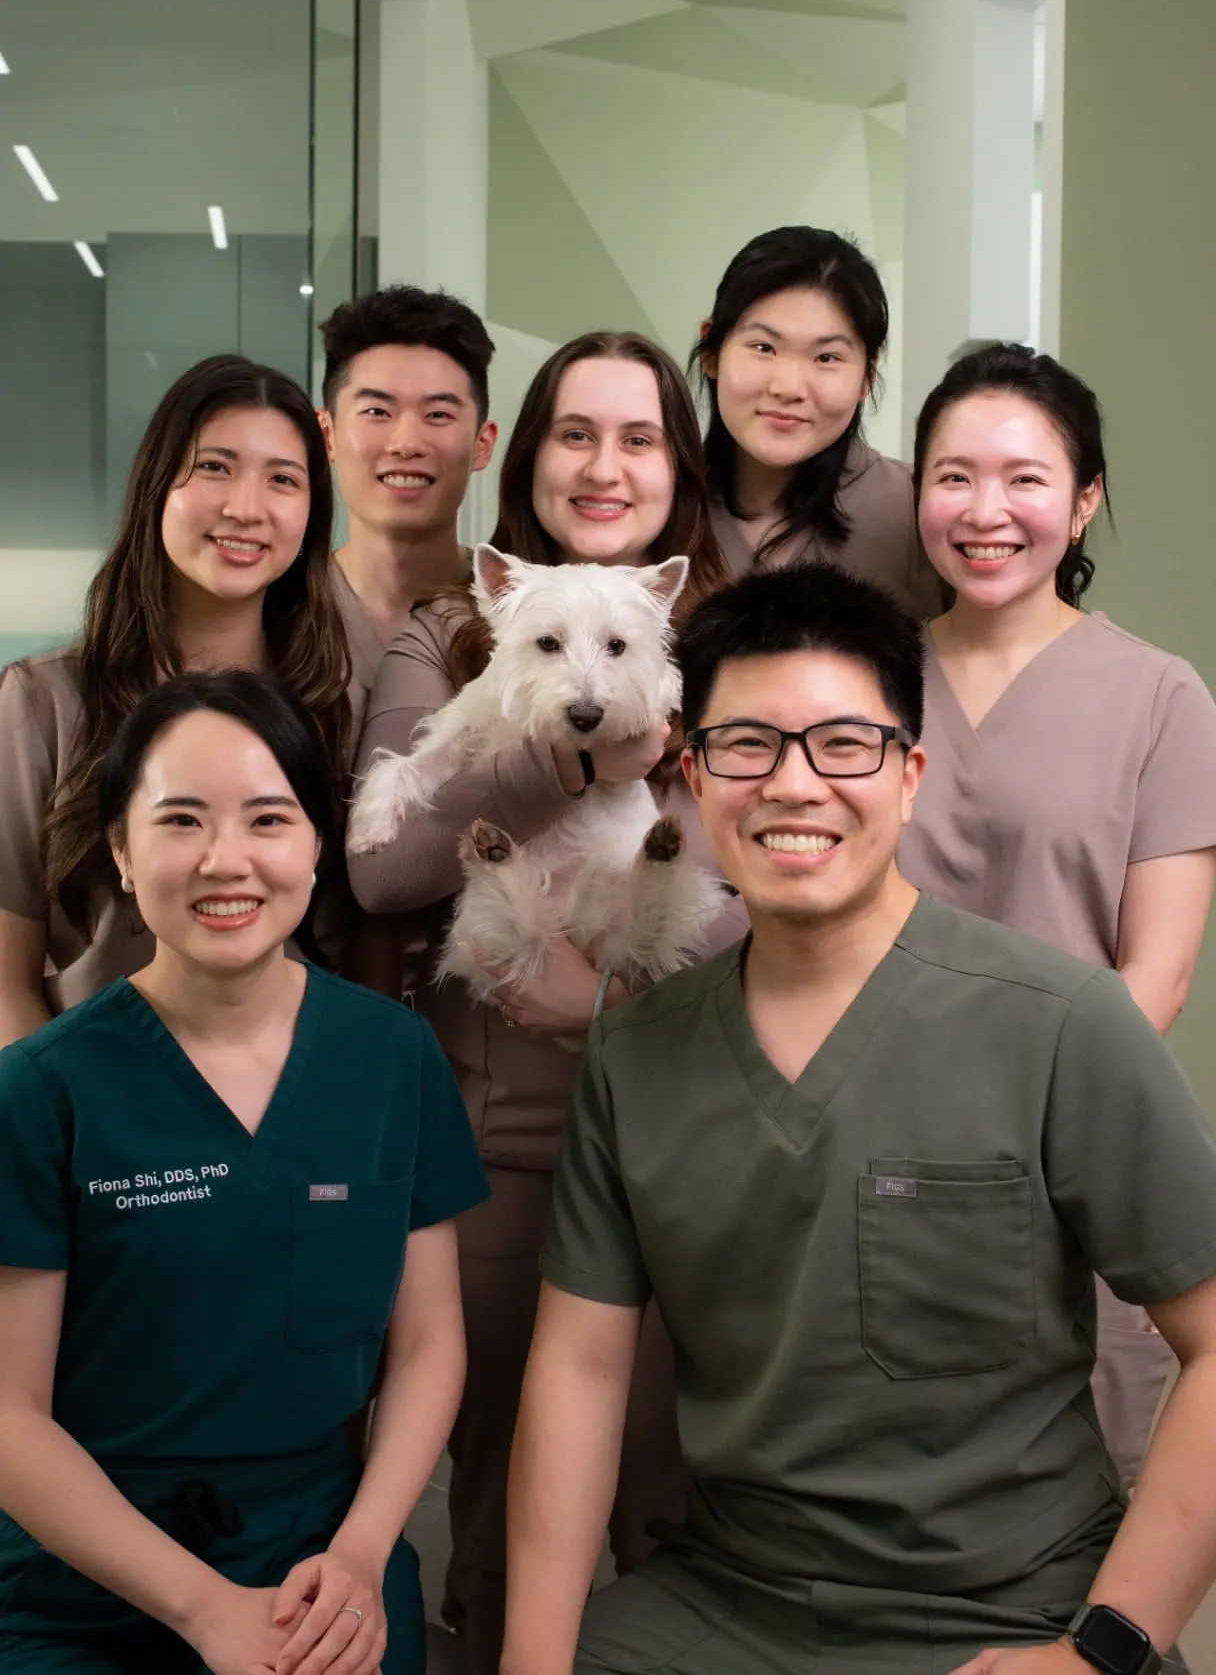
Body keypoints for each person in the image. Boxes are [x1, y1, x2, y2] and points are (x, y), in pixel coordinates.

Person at [505, 561, 1216, 1675]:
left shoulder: (1061, 1021)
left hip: (1022, 1607)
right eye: (747, 746)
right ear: (695, 776)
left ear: (909, 776)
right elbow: (580, 1375)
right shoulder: (635, 1056)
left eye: (844, 745)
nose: (794, 785)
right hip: (731, 1599)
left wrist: (1103, 1649)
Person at [348, 330, 747, 1674]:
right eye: (575, 433)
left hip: (697, 1131)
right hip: (505, 1138)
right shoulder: (449, 629)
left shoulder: (735, 638)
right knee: (505, 1514)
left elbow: (785, 870)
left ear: (680, 466)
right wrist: (582, 763)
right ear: (526, 457)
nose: (605, 464)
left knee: (689, 1506)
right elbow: (387, 865)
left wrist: (614, 994)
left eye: (640, 437)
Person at [0, 669, 487, 1672]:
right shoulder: (42, 1090)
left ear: (315, 844)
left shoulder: (393, 1059)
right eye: (181, 821)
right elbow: (9, 1417)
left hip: (323, 1558)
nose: (227, 861)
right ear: (121, 852)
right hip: (86, 1577)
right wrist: (205, 1610)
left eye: (269, 819)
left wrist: (360, 1555)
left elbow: (429, 1344)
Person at [900, 342, 1216, 1485]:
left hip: (1074, 1159)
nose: (985, 511)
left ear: (1083, 503)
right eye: (953, 476)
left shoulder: (1159, 696)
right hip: (869, 1153)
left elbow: (1157, 976)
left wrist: (1014, 1139)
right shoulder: (859, 683)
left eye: (1025, 478)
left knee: (1079, 1509)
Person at [0, 356, 351, 1047]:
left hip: (297, 1095)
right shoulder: (41, 703)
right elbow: (4, 982)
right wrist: (56, 1108)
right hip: (90, 1091)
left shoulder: (333, 702)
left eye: (282, 479)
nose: (246, 508)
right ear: (157, 484)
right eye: (215, 467)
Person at [691, 224, 943, 618]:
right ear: (711, 350)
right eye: (763, 347)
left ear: (867, 374)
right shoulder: (661, 504)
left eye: (827, 357)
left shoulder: (921, 509)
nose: (788, 387)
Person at [319, 284, 498, 730]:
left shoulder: (516, 614)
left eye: (438, 415)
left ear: (482, 443)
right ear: (327, 435)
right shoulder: (280, 609)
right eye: (377, 412)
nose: (406, 443)